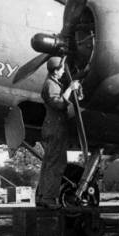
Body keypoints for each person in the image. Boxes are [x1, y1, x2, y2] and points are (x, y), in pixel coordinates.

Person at [36, 56, 81, 208]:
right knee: (56, 165)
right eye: (61, 69)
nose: (63, 72)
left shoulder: (52, 83)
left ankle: (42, 197)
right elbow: (60, 104)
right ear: (55, 71)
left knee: (49, 164)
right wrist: (70, 89)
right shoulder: (51, 85)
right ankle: (48, 199)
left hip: (52, 128)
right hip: (56, 129)